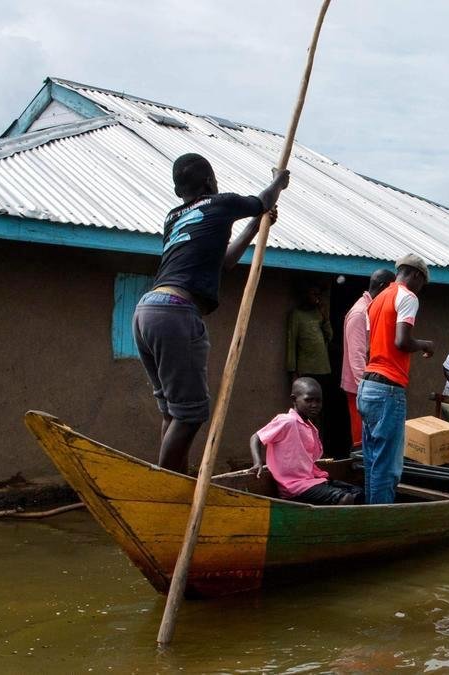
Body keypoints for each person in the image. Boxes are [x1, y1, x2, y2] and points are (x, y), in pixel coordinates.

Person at [132, 153, 289, 473]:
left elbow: (224, 262)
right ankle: (166, 487)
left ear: (179, 191)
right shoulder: (220, 203)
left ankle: (174, 480)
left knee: (174, 412)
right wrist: (278, 181)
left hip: (147, 311)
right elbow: (262, 200)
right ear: (209, 182)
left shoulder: (173, 217)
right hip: (176, 314)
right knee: (190, 415)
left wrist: (256, 226)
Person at [357, 254, 435, 504]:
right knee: (388, 466)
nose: (420, 289)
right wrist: (424, 344)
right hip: (387, 389)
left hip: (367, 386)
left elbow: (370, 348)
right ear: (416, 275)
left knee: (373, 460)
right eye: (422, 283)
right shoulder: (408, 297)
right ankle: (380, 517)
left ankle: (371, 515)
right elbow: (402, 341)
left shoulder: (377, 299)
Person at [249, 377, 362, 505]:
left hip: (312, 479)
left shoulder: (309, 426)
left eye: (318, 401)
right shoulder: (287, 421)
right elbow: (256, 437)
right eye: (308, 400)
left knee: (358, 493)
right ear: (294, 400)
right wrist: (257, 462)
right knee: (345, 498)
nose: (314, 405)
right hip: (294, 486)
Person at [341, 269, 396, 447]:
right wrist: (366, 390)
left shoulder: (372, 309)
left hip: (371, 386)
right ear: (383, 287)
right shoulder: (359, 313)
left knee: (374, 438)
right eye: (391, 290)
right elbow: (356, 356)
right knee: (362, 440)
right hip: (361, 389)